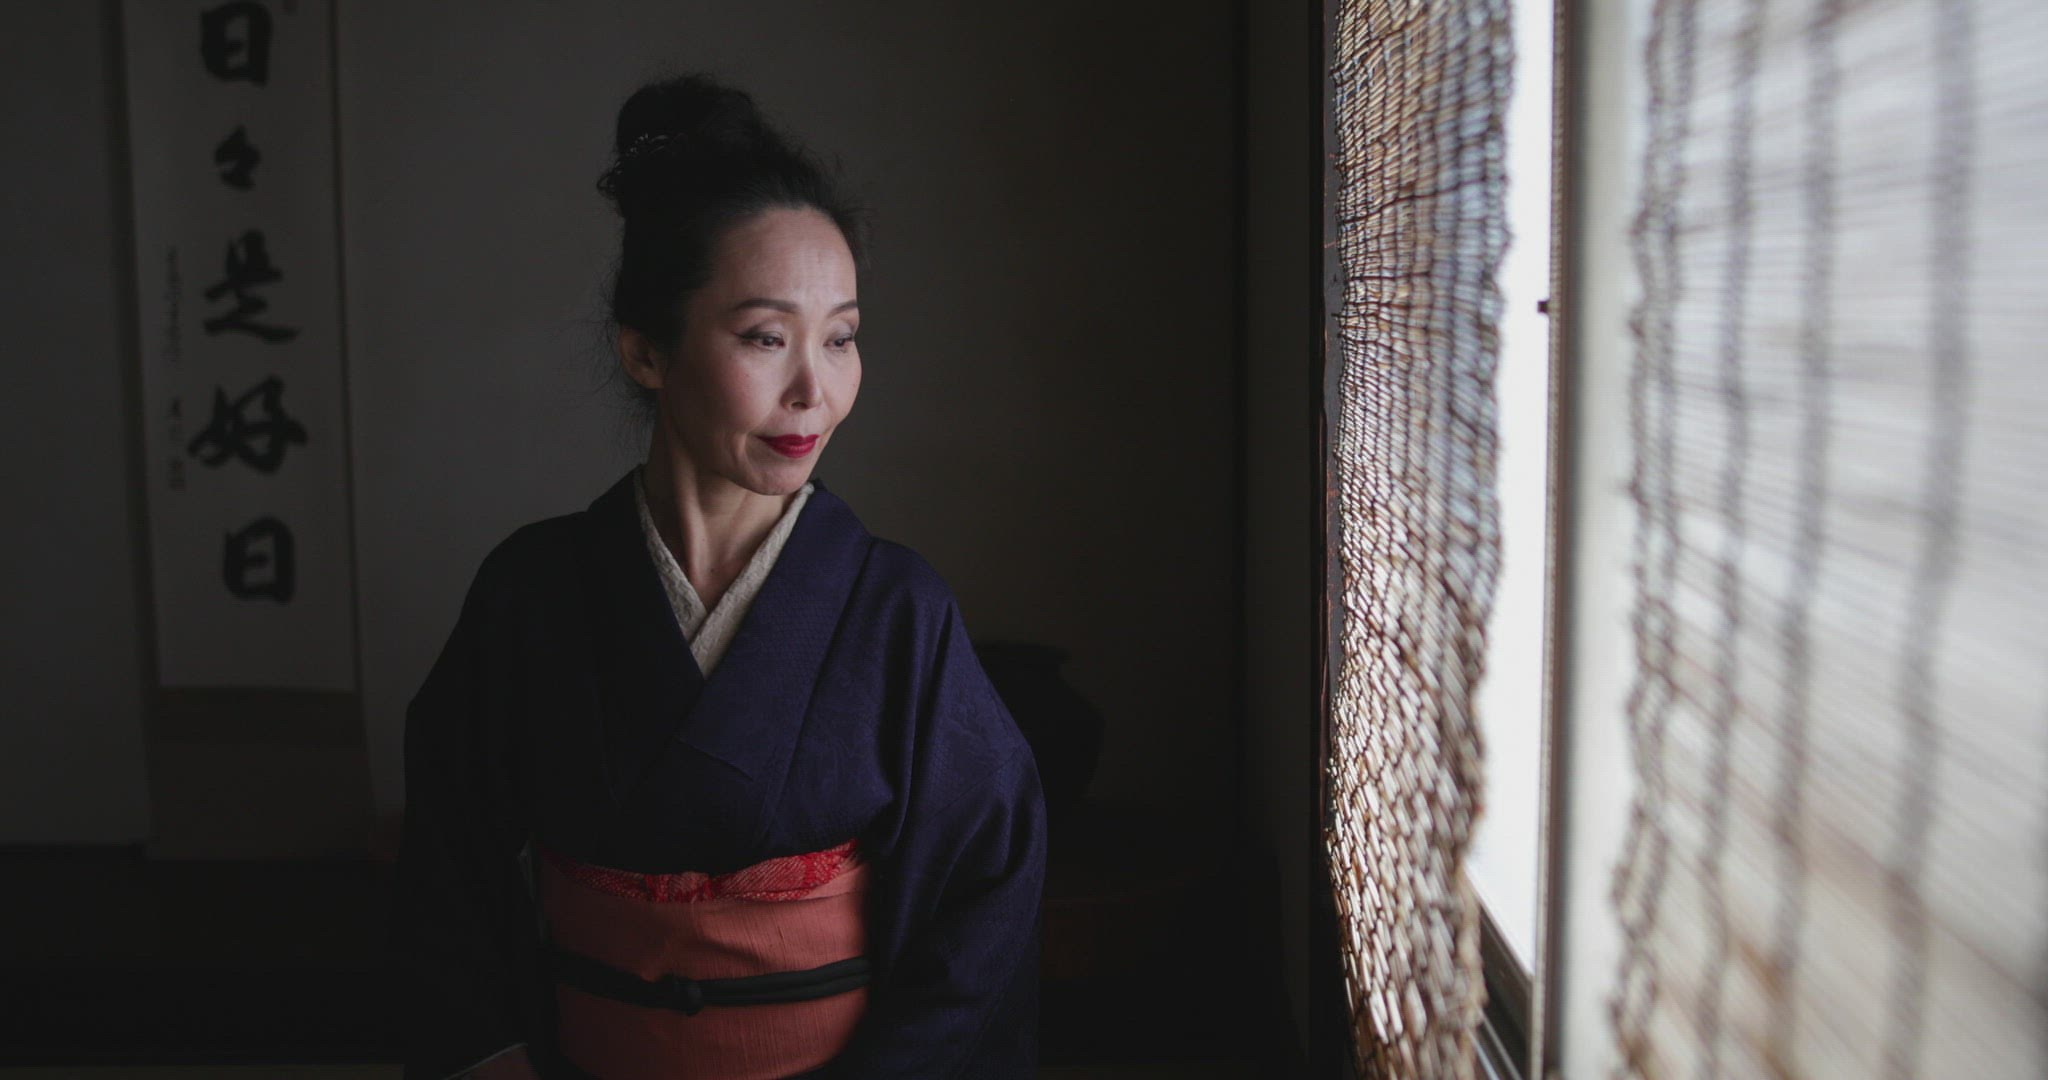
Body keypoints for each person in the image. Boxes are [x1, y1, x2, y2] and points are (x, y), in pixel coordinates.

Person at [388, 73, 1046, 1080]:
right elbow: (446, 869)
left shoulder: (894, 610)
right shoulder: (533, 593)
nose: (814, 390)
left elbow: (983, 896)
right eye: (765, 338)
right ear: (646, 352)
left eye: (841, 338)